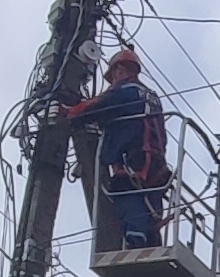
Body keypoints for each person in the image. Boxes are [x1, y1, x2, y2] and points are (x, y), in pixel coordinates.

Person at [67, 44, 169, 249]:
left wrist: (68, 113)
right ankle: (150, 243)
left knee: (126, 195)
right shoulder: (150, 96)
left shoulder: (125, 93)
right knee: (149, 207)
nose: (111, 82)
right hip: (157, 164)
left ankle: (136, 241)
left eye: (112, 77)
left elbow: (96, 106)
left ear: (120, 70)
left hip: (133, 159)